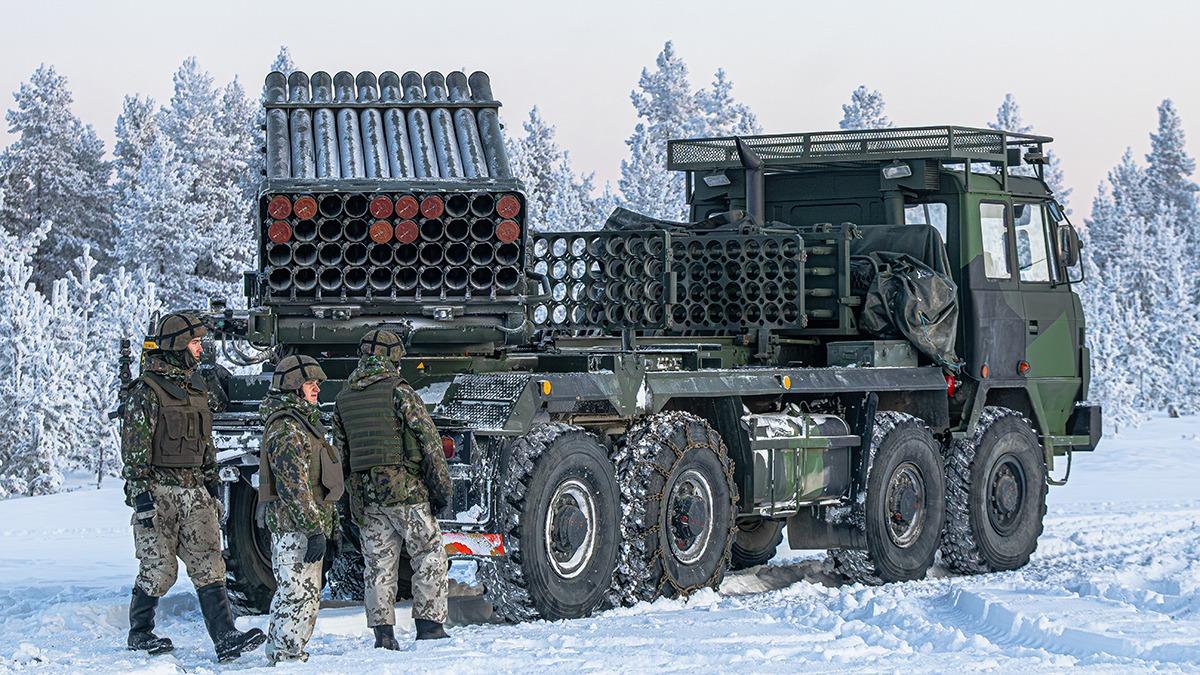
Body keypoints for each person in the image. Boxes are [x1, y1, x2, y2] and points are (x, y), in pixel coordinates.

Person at [120, 312, 266, 662]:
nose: (201, 349)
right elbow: (134, 449)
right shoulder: (148, 391)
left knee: (210, 563)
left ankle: (225, 637)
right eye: (195, 342)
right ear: (176, 346)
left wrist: (211, 485)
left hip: (196, 492)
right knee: (160, 569)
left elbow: (206, 445)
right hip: (159, 493)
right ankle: (140, 633)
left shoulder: (198, 387)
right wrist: (140, 496)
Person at [333, 329, 453, 647]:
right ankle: (429, 626)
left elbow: (340, 457)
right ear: (393, 357)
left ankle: (383, 635)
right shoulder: (399, 391)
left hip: (368, 499)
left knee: (377, 564)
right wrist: (441, 490)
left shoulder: (343, 398)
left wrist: (347, 504)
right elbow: (429, 441)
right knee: (428, 554)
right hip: (407, 494)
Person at [258, 355, 345, 664]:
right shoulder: (287, 429)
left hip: (305, 526)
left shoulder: (303, 423)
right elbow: (294, 487)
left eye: (317, 384)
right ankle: (284, 655)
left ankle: (292, 653)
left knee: (306, 596)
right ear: (294, 387)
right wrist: (313, 529)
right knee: (295, 594)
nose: (316, 389)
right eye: (310, 384)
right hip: (294, 528)